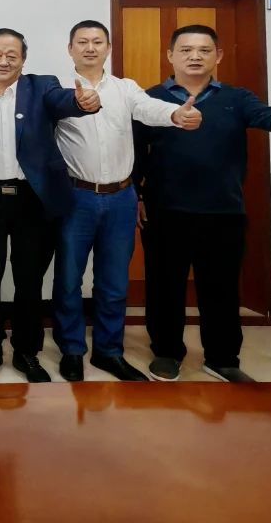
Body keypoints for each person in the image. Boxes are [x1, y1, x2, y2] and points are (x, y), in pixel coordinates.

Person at [136, 24, 271, 383]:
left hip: (222, 212)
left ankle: (223, 358)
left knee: (222, 288)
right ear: (170, 55)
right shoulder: (151, 99)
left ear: (218, 56)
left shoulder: (236, 98)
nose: (195, 56)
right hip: (166, 211)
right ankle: (167, 353)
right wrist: (136, 194)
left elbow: (268, 117)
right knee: (164, 287)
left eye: (204, 50)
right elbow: (134, 152)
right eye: (186, 50)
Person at [52, 19, 201, 383]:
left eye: (97, 41)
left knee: (114, 281)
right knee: (68, 278)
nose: (90, 48)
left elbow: (149, 109)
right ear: (70, 49)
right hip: (76, 197)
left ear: (108, 48)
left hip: (121, 197)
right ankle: (71, 349)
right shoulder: (56, 89)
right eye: (82, 42)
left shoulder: (125, 88)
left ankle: (109, 351)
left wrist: (175, 115)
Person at [0, 27, 99, 383]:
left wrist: (82, 102)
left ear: (23, 59)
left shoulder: (42, 87)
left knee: (29, 280)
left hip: (32, 200)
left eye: (12, 55)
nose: (3, 61)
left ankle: (26, 351)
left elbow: (65, 100)